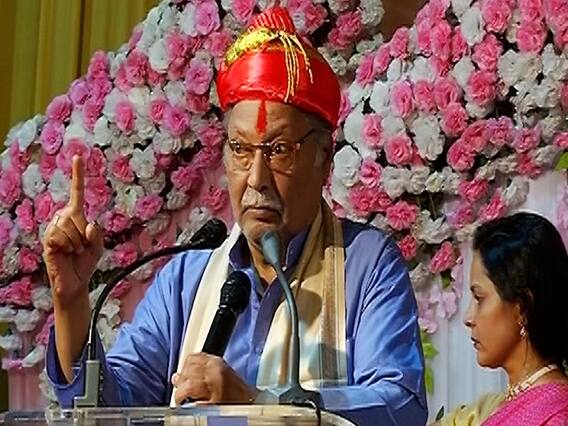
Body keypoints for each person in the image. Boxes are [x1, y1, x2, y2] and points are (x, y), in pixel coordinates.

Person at [43, 7, 427, 425]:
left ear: (325, 159)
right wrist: (71, 302)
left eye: (279, 150)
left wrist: (260, 403)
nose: (256, 179)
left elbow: (399, 405)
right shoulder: (187, 278)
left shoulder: (365, 264)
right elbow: (110, 408)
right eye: (241, 150)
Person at [435, 212, 568, 426]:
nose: (468, 318)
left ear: (522, 308)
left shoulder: (555, 416)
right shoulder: (500, 406)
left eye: (479, 298)